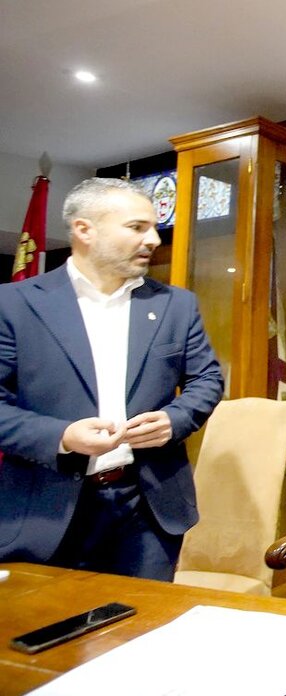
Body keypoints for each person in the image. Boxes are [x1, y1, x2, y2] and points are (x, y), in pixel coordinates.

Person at [0, 177, 223, 581]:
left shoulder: (176, 305)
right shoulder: (13, 304)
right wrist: (63, 437)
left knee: (141, 633)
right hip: (43, 511)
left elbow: (206, 379)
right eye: (137, 227)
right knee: (45, 636)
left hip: (148, 509)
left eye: (154, 228)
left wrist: (175, 419)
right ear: (85, 230)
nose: (153, 239)